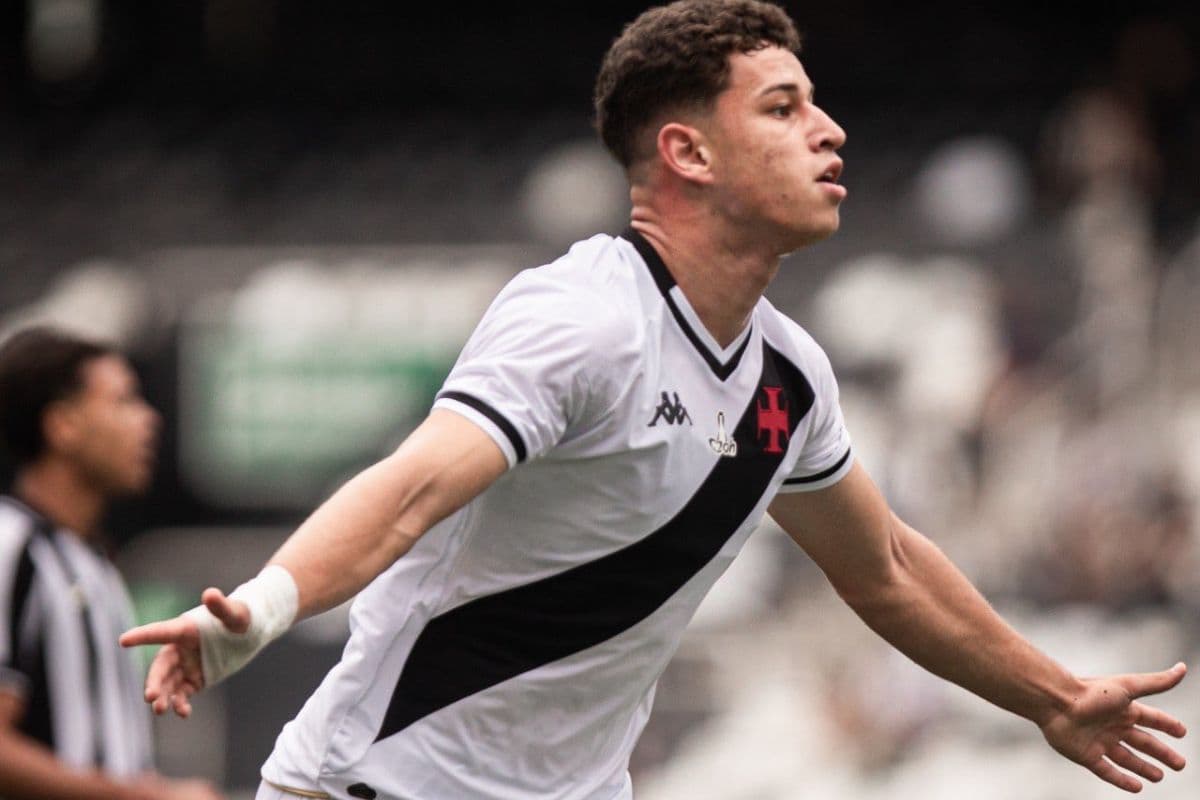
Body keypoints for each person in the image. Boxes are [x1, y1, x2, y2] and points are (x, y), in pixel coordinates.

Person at [121, 2, 1188, 798]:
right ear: (686, 150)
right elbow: (410, 490)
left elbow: (891, 568)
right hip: (388, 784)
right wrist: (258, 608)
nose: (831, 131)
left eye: (816, 103)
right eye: (785, 107)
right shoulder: (584, 318)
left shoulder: (789, 376)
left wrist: (1051, 693)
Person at [0, 326, 223, 800]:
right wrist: (144, 798)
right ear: (63, 425)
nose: (148, 420)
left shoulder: (92, 561)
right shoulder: (11, 545)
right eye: (122, 401)